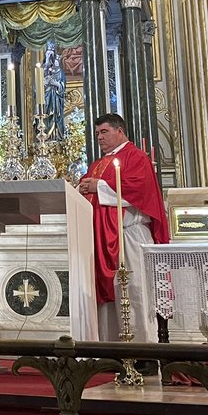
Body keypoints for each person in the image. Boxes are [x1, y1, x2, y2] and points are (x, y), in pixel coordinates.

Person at [77, 113, 169, 342]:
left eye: (104, 132)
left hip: (130, 235)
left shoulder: (136, 156)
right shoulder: (98, 163)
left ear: (120, 131)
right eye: (97, 133)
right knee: (109, 292)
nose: (99, 137)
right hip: (102, 237)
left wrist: (98, 186)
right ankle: (112, 348)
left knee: (135, 290)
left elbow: (138, 190)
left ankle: (141, 350)